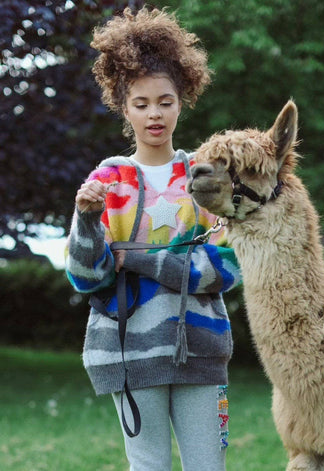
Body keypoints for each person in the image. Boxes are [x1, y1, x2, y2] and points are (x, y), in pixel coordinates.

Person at [65, 7, 241, 471]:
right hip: (129, 355)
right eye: (141, 104)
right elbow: (87, 276)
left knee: (209, 466)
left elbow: (223, 269)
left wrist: (133, 258)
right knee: (149, 467)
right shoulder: (108, 179)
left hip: (202, 350)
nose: (154, 114)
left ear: (182, 100)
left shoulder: (203, 176)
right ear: (124, 109)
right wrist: (87, 222)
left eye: (165, 101)